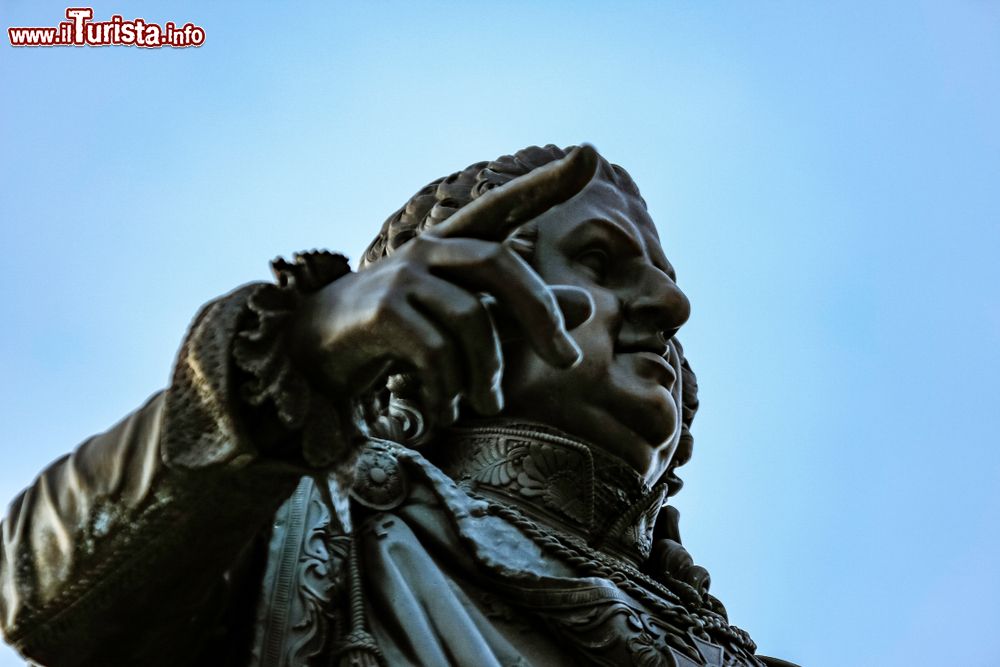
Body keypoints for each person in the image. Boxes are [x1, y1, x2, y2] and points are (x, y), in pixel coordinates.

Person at [0, 145, 797, 666]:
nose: (671, 302)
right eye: (600, 259)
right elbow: (34, 585)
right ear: (467, 296)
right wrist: (296, 354)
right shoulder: (299, 531)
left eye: (658, 273)